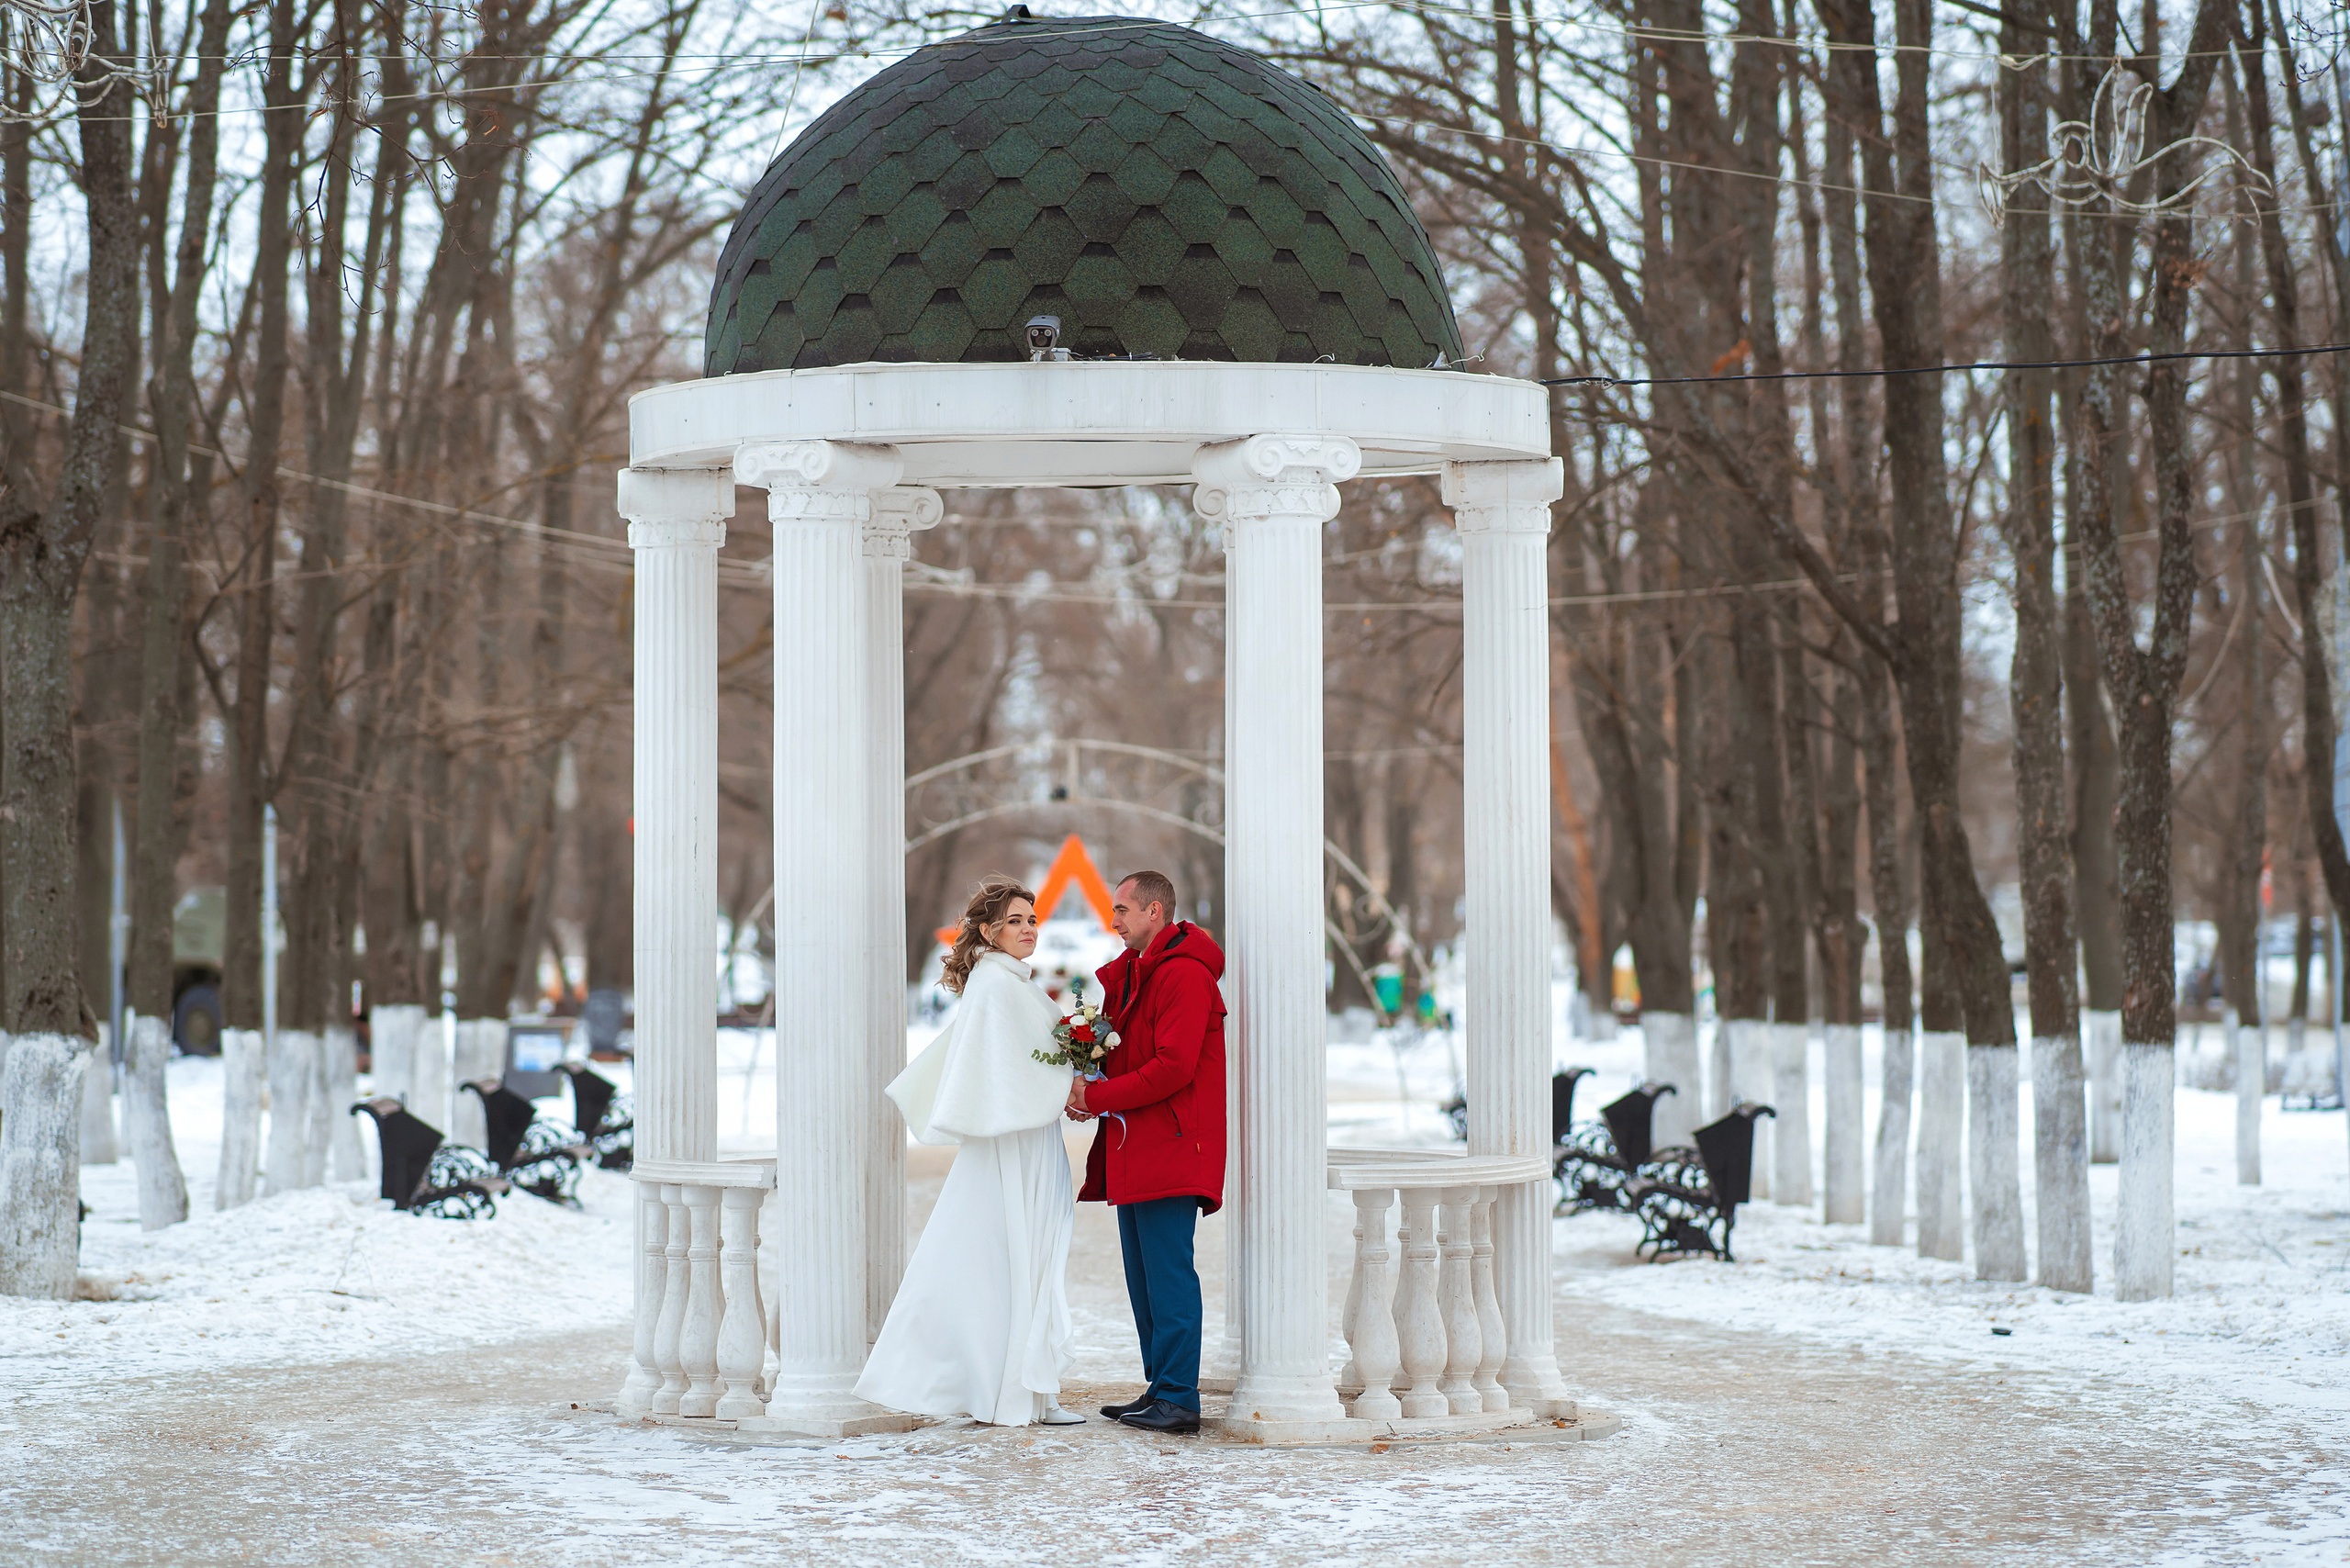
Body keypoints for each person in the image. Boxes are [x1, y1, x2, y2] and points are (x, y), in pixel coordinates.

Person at [856, 876, 1085, 1427]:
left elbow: (1025, 1060)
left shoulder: (1010, 982)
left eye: (1032, 919)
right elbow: (1014, 1067)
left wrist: (1074, 1065)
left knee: (1025, 1253)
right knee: (1009, 1254)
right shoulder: (996, 984)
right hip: (1012, 1143)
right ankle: (1012, 1390)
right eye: (1015, 920)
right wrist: (1072, 1081)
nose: (1029, 928)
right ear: (989, 931)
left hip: (1027, 1135)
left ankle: (1027, 1388)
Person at [1067, 869, 1225, 1436]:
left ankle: (1180, 1397)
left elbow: (1174, 1066)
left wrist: (1099, 1094)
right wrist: (1088, 1078)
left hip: (1174, 1144)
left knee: (1169, 1273)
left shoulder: (1182, 975)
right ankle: (1162, 1387)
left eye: (1123, 910)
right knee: (1143, 1275)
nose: (1114, 921)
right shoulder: (1138, 975)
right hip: (1141, 1142)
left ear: (1155, 911)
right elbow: (1133, 1055)